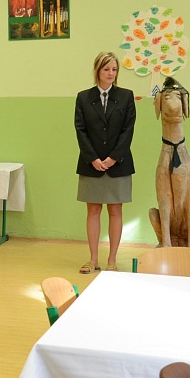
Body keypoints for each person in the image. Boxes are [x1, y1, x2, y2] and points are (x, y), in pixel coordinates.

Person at [74, 51, 136, 274]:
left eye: (114, 69)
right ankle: (93, 260)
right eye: (106, 69)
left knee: (115, 210)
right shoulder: (83, 97)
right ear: (97, 70)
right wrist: (93, 158)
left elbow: (128, 131)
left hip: (118, 163)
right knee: (93, 210)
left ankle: (112, 261)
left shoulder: (126, 96)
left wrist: (113, 158)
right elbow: (80, 130)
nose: (111, 73)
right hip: (91, 163)